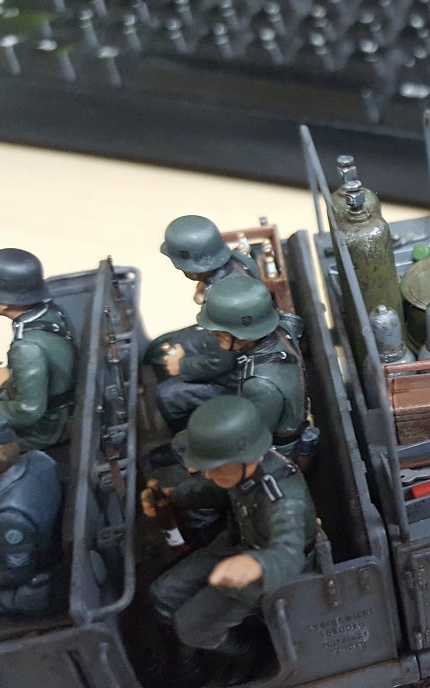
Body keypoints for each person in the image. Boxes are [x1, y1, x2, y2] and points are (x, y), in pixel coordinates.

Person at [142, 396, 315, 685]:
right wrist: (174, 496)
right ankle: (186, 658)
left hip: (267, 574)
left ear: (245, 457)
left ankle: (248, 651)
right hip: (236, 545)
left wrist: (256, 565)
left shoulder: (283, 499)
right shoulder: (238, 471)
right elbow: (217, 491)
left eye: (217, 467)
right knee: (162, 593)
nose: (209, 474)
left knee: (190, 626)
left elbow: (288, 554)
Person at [156, 276, 307, 457]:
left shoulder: (260, 385)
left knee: (172, 403)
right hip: (252, 391)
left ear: (242, 335)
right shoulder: (280, 327)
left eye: (221, 334)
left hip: (270, 446)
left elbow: (250, 440)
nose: (213, 334)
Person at [0, 248, 77, 451]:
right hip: (58, 404)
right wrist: (11, 370)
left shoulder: (27, 347)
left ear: (4, 304)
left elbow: (29, 410)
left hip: (44, 430)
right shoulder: (50, 312)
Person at [146, 214, 260, 382]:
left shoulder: (223, 300)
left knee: (168, 391)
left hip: (238, 363)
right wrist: (205, 284)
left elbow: (221, 361)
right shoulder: (239, 260)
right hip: (233, 338)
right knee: (160, 347)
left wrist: (182, 366)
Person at [0, 411, 62, 615]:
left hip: (26, 588)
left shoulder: (9, 515)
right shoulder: (39, 459)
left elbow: (15, 573)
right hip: (21, 544)